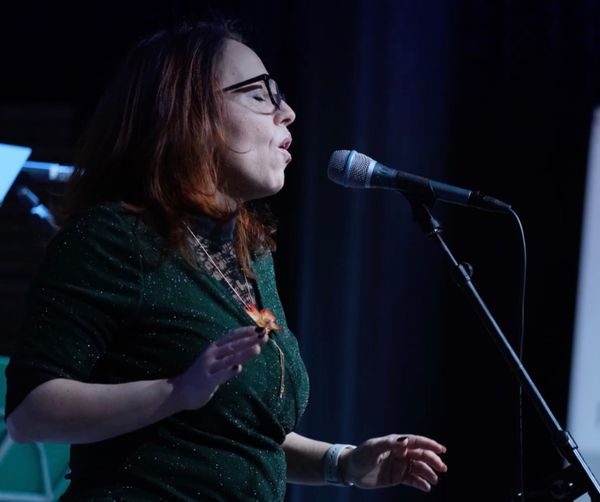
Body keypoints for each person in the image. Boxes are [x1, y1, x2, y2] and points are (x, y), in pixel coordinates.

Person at [4, 21, 448, 501]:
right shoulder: (113, 236)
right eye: (259, 95)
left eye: (280, 97)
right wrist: (175, 390)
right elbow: (31, 413)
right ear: (189, 113)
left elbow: (237, 432)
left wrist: (343, 463)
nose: (287, 112)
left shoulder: (248, 254)